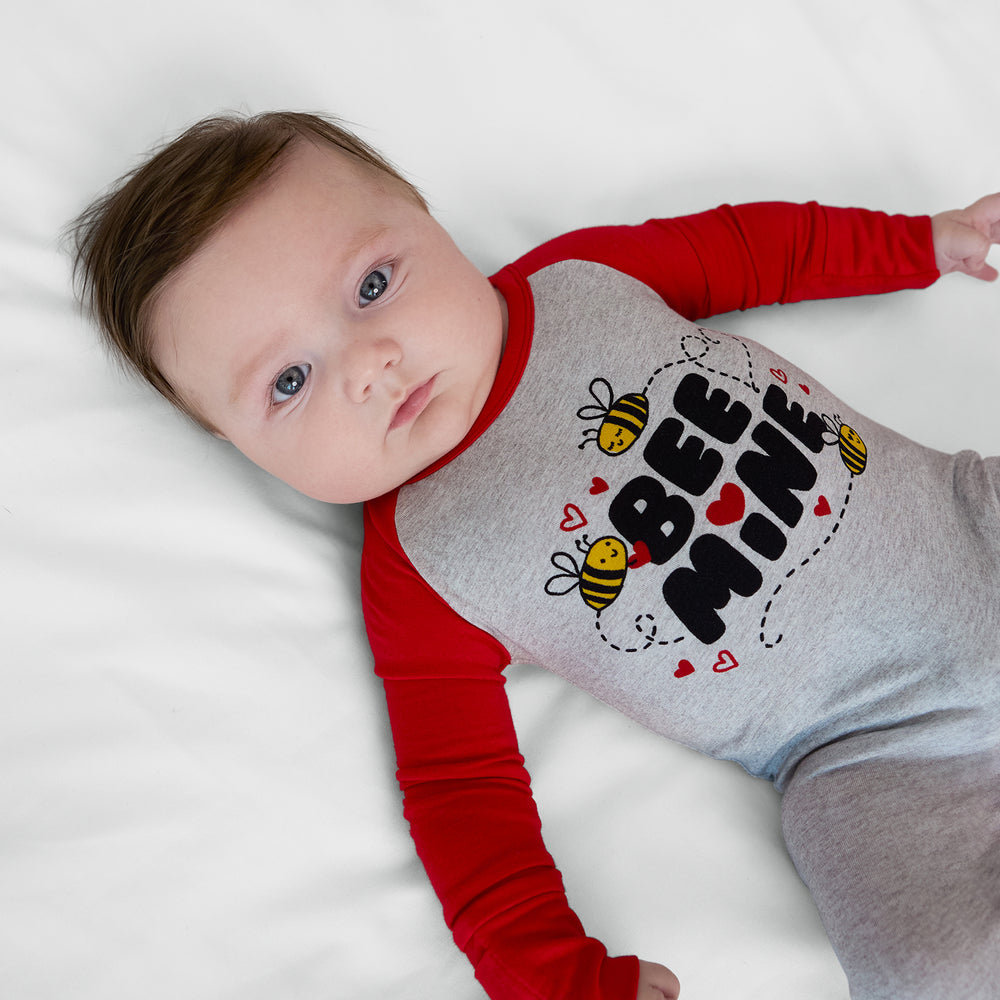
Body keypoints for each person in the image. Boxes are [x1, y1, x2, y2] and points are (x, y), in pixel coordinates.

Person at [71, 111, 1000, 1000]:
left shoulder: (579, 281)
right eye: (288, 381)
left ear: (423, 215)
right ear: (241, 448)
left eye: (371, 286)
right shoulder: (422, 574)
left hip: (971, 519)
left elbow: (751, 249)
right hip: (866, 755)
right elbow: (461, 799)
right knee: (926, 971)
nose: (369, 363)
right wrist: (552, 976)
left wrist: (918, 241)